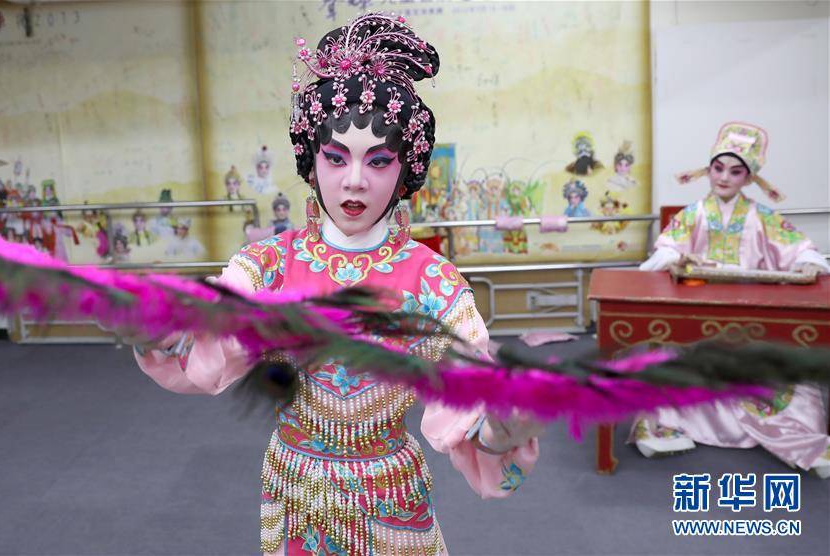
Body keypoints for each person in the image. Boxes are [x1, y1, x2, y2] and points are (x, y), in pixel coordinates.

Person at [133, 13, 542, 555]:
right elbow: (208, 345)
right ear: (311, 161)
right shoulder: (266, 268)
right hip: (295, 492)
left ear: (405, 170)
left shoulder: (432, 280)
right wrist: (162, 331)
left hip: (390, 494)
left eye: (379, 161)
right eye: (335, 157)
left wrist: (494, 431)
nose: (354, 181)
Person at [634, 122, 830, 478]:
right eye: (718, 168)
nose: (724, 178)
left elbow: (801, 248)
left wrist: (807, 262)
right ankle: (667, 425)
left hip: (751, 318)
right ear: (708, 170)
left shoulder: (763, 218)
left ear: (748, 178)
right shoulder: (693, 214)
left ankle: (795, 436)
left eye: (735, 171)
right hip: (697, 317)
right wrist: (675, 257)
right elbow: (664, 249)